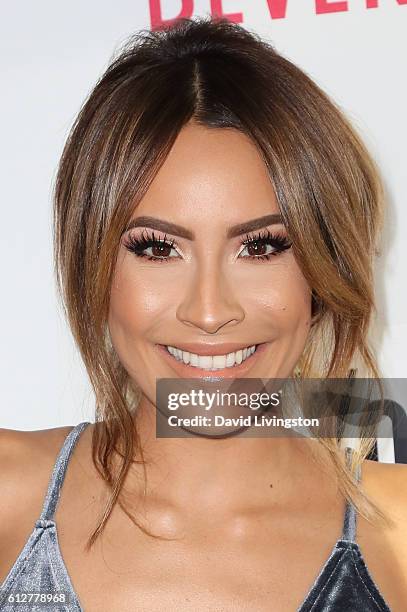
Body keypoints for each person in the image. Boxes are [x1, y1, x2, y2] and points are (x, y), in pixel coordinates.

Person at [0, 16, 406, 612]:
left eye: (262, 246)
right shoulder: (8, 493)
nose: (210, 311)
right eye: (158, 249)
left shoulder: (398, 534)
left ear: (324, 267)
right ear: (95, 268)